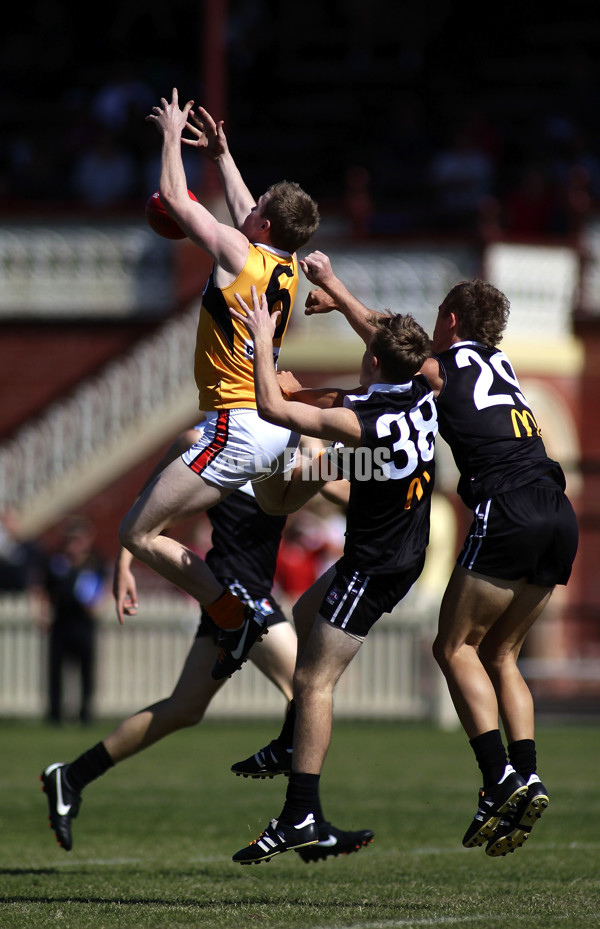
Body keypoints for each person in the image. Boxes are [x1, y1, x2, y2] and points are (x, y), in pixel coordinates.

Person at [300, 251, 579, 858]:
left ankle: (496, 781)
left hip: (506, 506)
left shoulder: (442, 364)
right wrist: (343, 300)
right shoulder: (498, 361)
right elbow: (394, 333)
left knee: (453, 647)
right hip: (559, 509)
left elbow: (390, 341)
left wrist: (332, 287)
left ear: (450, 319)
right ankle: (526, 775)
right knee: (503, 652)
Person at [40, 423, 373, 862]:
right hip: (233, 595)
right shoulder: (207, 437)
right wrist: (124, 559)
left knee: (184, 709)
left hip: (242, 592)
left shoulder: (291, 441)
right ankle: (307, 821)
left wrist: (389, 474)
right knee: (308, 689)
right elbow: (150, 506)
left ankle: (72, 776)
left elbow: (335, 485)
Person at [228, 284, 437, 863]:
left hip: (376, 565)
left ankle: (299, 813)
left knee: (314, 681)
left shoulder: (363, 417)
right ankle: (286, 744)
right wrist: (344, 302)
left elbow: (273, 409)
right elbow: (376, 368)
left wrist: (265, 347)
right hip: (399, 546)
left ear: (372, 359)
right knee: (302, 613)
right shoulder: (426, 389)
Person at [118, 89, 320, 681]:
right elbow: (246, 212)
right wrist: (223, 154)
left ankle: (231, 616)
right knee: (170, 526)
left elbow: (177, 200)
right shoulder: (278, 264)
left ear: (263, 223)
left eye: (256, 206)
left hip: (235, 424)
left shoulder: (240, 252)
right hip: (267, 427)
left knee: (136, 531)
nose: (247, 206)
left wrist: (169, 136)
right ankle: (235, 612)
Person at [37, 515, 108, 725]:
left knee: (86, 670)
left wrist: (98, 605)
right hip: (61, 622)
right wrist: (42, 612)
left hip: (84, 623)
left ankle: (85, 713)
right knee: (56, 669)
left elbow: (105, 585)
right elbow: (42, 588)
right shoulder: (56, 562)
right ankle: (55, 713)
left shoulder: (94, 561)